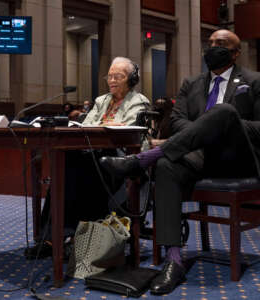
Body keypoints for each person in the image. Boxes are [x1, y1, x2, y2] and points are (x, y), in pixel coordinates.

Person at [100, 29, 260, 295]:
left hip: (238, 158)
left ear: (236, 52)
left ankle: (142, 160)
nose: (212, 48)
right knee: (166, 167)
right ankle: (174, 260)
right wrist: (204, 131)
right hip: (198, 156)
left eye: (220, 44)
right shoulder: (191, 83)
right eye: (209, 44)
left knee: (222, 113)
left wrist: (221, 124)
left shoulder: (254, 81)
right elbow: (175, 122)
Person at [24, 56, 150, 258]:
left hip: (120, 159)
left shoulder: (139, 101)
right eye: (109, 76)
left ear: (131, 79)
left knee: (75, 169)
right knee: (64, 166)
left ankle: (65, 237)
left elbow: (133, 134)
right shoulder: (101, 101)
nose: (112, 80)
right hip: (92, 154)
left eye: (118, 76)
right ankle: (54, 237)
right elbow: (86, 127)